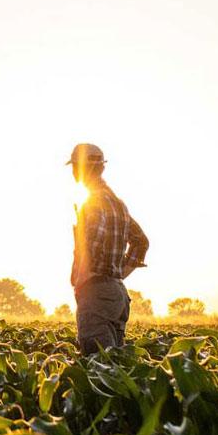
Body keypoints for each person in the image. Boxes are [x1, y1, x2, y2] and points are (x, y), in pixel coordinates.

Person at [67, 143, 149, 354]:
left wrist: (84, 276)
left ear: (81, 169)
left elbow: (92, 241)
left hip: (96, 293)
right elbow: (141, 241)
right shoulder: (117, 203)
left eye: (75, 167)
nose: (74, 172)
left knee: (98, 365)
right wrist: (120, 273)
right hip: (117, 293)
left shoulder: (93, 202)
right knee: (117, 366)